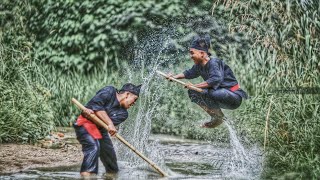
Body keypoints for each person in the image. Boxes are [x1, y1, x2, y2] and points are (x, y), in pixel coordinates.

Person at [167, 34, 248, 128]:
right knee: (193, 92)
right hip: (220, 95)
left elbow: (215, 80)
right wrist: (174, 77)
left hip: (233, 97)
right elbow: (189, 73)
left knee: (206, 91)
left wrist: (195, 86)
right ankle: (216, 116)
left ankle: (219, 117)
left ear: (202, 53)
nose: (190, 56)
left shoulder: (214, 63)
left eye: (192, 53)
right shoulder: (199, 66)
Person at [73, 83, 142, 177]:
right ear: (127, 94)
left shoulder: (123, 114)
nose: (134, 103)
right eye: (135, 99)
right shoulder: (109, 91)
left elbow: (101, 120)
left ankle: (112, 176)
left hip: (100, 130)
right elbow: (96, 105)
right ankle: (87, 175)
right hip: (85, 123)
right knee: (94, 148)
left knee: (111, 161)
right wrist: (107, 121)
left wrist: (96, 114)